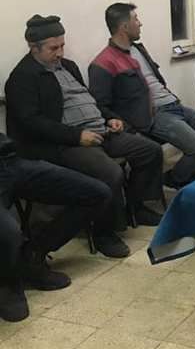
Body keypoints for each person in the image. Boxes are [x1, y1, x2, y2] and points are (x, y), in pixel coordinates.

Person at [6, 15, 164, 258]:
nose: (60, 53)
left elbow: (89, 99)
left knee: (150, 151)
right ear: (33, 47)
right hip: (65, 143)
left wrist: (110, 117)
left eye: (62, 46)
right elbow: (32, 123)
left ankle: (138, 205)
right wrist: (77, 136)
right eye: (53, 48)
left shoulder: (68, 67)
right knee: (110, 173)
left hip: (100, 131)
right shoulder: (22, 78)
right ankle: (104, 233)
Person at [89, 3, 195, 190]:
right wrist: (122, 123)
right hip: (154, 115)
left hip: (174, 105)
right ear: (124, 26)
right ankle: (173, 180)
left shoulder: (138, 49)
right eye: (136, 19)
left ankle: (194, 183)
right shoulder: (104, 62)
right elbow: (100, 104)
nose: (140, 23)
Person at [0, 132, 112, 322]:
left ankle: (33, 255)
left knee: (98, 194)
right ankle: (6, 283)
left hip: (10, 161)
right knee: (10, 233)